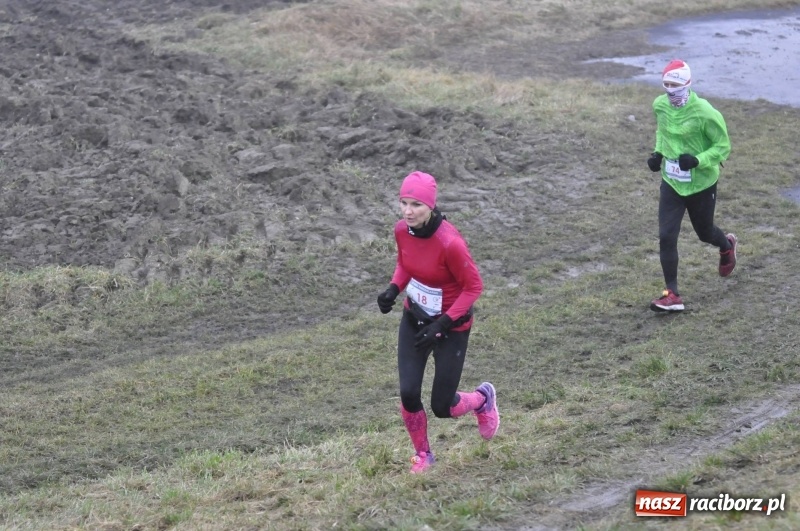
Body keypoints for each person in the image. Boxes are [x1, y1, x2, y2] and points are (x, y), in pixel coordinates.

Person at [376, 171, 499, 473]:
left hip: (451, 327)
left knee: (443, 407)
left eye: (416, 204)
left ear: (430, 206)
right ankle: (423, 455)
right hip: (415, 319)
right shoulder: (402, 231)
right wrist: (393, 288)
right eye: (404, 203)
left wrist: (442, 324)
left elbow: (473, 287)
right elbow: (406, 263)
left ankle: (482, 399)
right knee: (408, 393)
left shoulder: (450, 243)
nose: (408, 211)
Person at [646, 59, 737, 313]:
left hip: (701, 184)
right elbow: (663, 132)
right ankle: (672, 295)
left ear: (687, 84)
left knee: (705, 233)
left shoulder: (705, 111)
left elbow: (723, 147)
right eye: (666, 85)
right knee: (666, 236)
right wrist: (657, 154)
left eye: (675, 85)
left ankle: (727, 246)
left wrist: (698, 160)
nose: (670, 90)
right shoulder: (660, 105)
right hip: (672, 183)